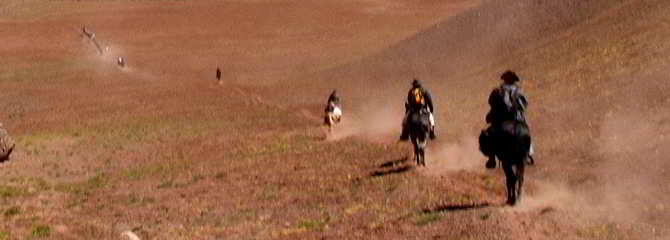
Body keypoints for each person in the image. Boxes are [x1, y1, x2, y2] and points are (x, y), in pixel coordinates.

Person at [485, 70, 534, 167]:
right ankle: (528, 154)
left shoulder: (498, 90)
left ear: (504, 79)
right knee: (526, 132)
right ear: (514, 80)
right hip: (517, 118)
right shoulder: (519, 91)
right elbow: (524, 105)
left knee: (490, 134)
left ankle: (491, 158)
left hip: (501, 118)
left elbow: (491, 102)